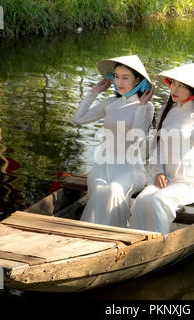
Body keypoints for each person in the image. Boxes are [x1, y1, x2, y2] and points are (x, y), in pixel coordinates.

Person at [129, 63, 194, 234]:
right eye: (173, 83)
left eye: (181, 86)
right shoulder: (166, 112)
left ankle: (158, 247)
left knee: (159, 200)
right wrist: (159, 171)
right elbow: (158, 146)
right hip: (166, 178)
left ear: (193, 90)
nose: (174, 89)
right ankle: (137, 244)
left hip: (191, 181)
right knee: (140, 202)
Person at [73, 55, 155, 227]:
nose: (119, 82)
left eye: (125, 78)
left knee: (113, 190)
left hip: (130, 170)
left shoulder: (146, 107)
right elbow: (79, 119)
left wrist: (141, 107)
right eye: (116, 76)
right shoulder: (111, 103)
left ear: (138, 81)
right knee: (99, 190)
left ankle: (112, 235)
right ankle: (89, 235)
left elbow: (137, 138)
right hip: (104, 166)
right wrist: (93, 92)